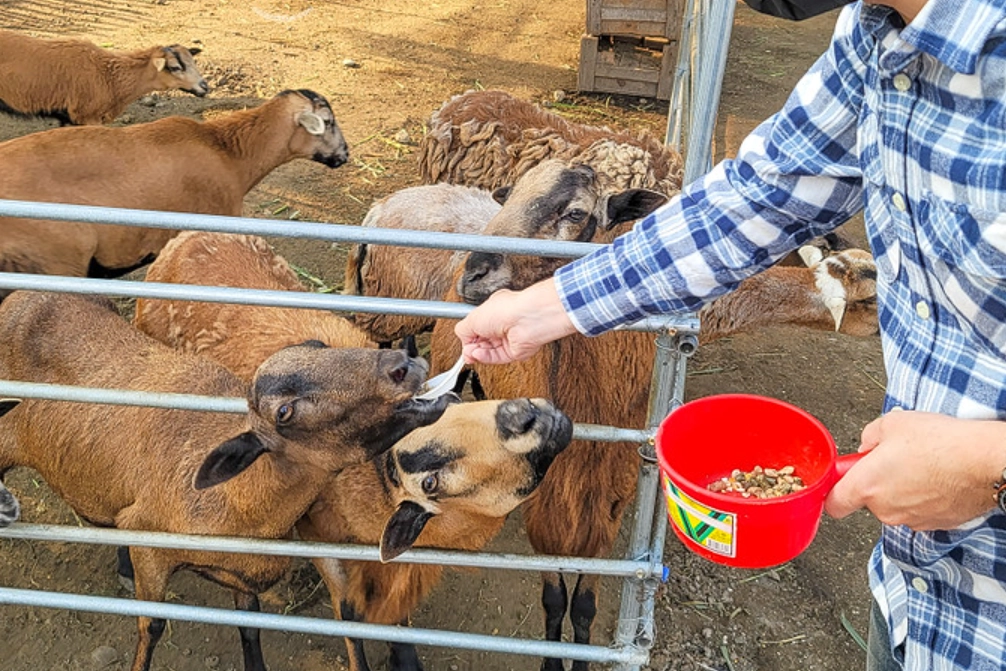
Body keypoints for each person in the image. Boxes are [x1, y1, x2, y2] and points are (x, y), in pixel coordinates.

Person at [454, 1, 1006, 669]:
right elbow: (755, 199)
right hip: (914, 599)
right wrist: (549, 305)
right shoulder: (874, 35)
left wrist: (989, 463)